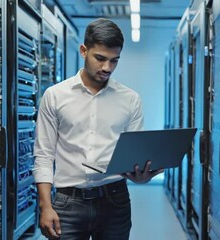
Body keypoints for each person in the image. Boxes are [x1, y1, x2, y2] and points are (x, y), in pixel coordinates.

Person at [33, 18, 163, 240]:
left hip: (115, 200)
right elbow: (43, 155)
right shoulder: (55, 96)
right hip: (68, 202)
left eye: (114, 61)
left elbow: (135, 155)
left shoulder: (130, 99)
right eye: (100, 58)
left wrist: (142, 176)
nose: (107, 68)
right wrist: (45, 206)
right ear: (84, 51)